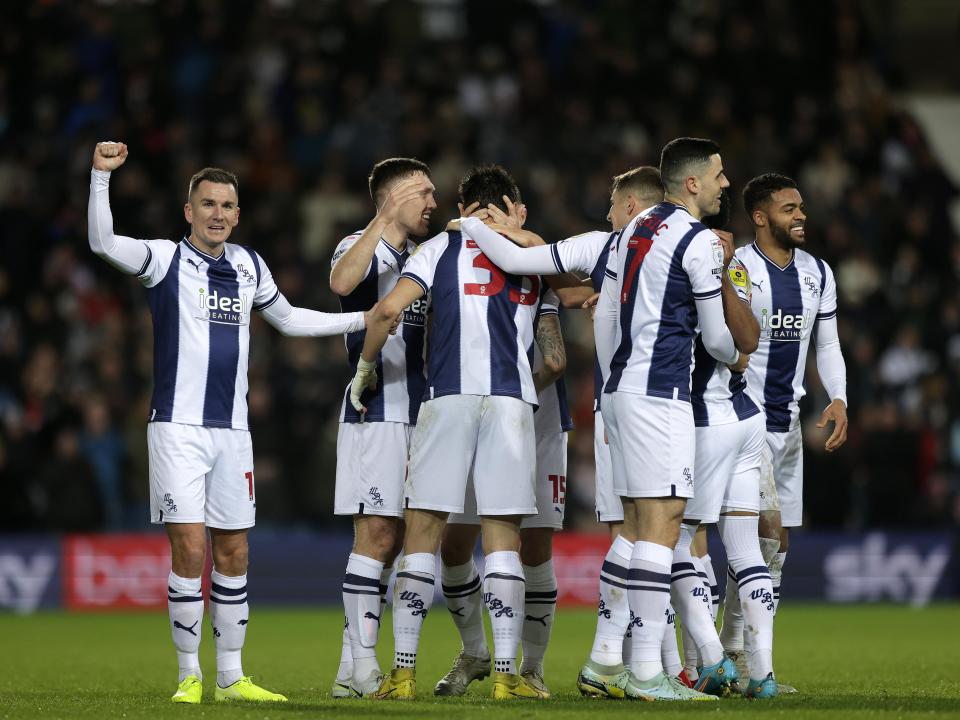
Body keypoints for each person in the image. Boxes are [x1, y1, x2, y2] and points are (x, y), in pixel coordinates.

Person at [88, 141, 370, 705]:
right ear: (188, 212)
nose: (218, 213)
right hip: (177, 430)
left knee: (235, 552)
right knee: (190, 549)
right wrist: (100, 176)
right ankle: (189, 673)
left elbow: (287, 320)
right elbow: (101, 241)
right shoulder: (165, 260)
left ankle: (231, 676)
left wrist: (366, 316)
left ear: (238, 214)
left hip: (232, 433)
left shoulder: (248, 264)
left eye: (227, 205)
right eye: (208, 204)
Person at [459, 168, 688, 690]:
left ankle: (596, 664)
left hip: (550, 413)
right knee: (645, 528)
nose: (521, 219)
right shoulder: (604, 245)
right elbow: (546, 274)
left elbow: (561, 289)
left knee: (634, 530)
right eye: (516, 213)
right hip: (619, 406)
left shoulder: (597, 253)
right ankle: (636, 666)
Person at [349, 165, 546, 701]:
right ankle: (508, 677)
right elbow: (579, 287)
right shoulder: (531, 256)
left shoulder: (437, 250)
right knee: (502, 540)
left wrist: (366, 369)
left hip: (448, 400)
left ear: (463, 209)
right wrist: (519, 233)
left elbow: (387, 309)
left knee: (423, 535)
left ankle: (404, 672)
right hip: (511, 402)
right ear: (509, 205)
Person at [589, 137, 743, 701]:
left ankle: (609, 661)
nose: (727, 184)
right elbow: (720, 339)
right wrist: (737, 351)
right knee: (664, 521)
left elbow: (608, 307)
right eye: (720, 175)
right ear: (694, 182)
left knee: (636, 524)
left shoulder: (634, 226)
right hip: (662, 394)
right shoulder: (699, 242)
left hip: (622, 389)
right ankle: (647, 673)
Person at [719, 173, 848, 690]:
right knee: (762, 537)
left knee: (778, 544)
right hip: (740, 418)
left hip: (788, 424)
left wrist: (838, 397)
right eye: (789, 208)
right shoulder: (738, 267)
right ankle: (737, 655)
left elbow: (828, 343)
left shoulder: (818, 272)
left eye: (802, 207)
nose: (800, 216)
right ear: (760, 216)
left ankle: (735, 653)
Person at [328, 158, 436, 698]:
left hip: (422, 414)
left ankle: (351, 669)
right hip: (375, 410)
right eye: (423, 193)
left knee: (394, 544)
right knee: (376, 535)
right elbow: (341, 281)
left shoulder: (427, 256)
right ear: (394, 199)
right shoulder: (360, 245)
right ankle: (366, 664)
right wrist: (381, 221)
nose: (433, 204)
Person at [433, 279, 568, 700]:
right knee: (455, 546)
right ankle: (474, 654)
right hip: (474, 413)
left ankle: (532, 668)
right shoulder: (456, 275)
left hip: (537, 420)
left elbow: (555, 360)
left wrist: (513, 390)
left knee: (531, 546)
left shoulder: (534, 274)